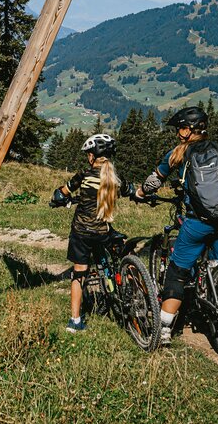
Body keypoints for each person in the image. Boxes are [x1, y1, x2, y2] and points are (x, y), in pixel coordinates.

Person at [135, 106, 218, 345]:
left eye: (180, 128)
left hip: (198, 223)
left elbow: (155, 180)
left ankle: (163, 329)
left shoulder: (177, 154)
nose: (177, 133)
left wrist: (140, 192)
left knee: (178, 273)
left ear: (189, 130)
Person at [50, 133, 125, 333]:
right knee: (110, 250)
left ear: (92, 156)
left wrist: (58, 199)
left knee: (79, 274)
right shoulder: (116, 179)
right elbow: (130, 190)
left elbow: (62, 192)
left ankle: (75, 321)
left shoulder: (84, 175)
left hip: (82, 232)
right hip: (103, 232)